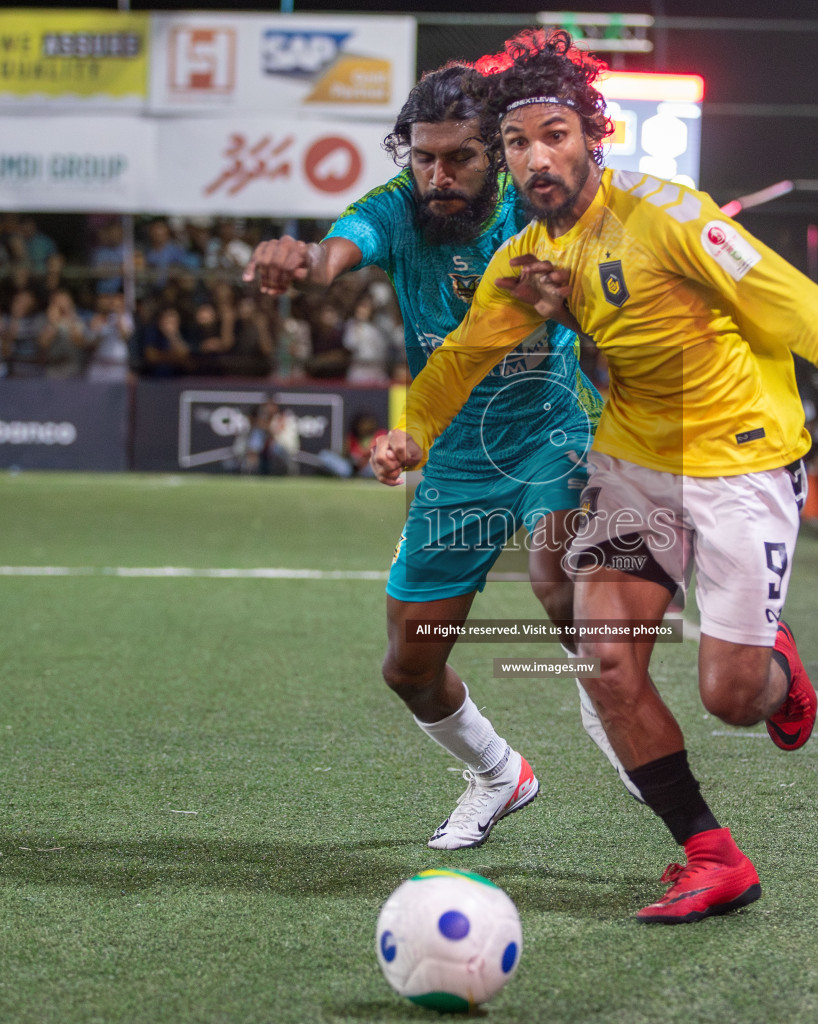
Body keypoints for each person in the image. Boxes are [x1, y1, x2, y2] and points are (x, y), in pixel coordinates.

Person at [378, 30, 818, 923]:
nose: (538, 157)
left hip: (745, 463)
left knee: (731, 698)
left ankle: (775, 670)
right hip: (635, 468)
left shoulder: (671, 216)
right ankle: (710, 854)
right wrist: (409, 434)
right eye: (520, 142)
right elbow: (461, 359)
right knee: (607, 660)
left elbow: (800, 303)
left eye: (556, 134)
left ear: (591, 137)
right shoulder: (529, 260)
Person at [245, 60, 626, 849]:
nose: (438, 175)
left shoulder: (538, 205)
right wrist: (301, 259)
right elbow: (334, 252)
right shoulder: (396, 211)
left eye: (458, 158)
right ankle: (498, 774)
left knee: (556, 579)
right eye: (423, 158)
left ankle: (612, 704)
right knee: (408, 666)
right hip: (452, 457)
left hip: (552, 430)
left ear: (497, 153)